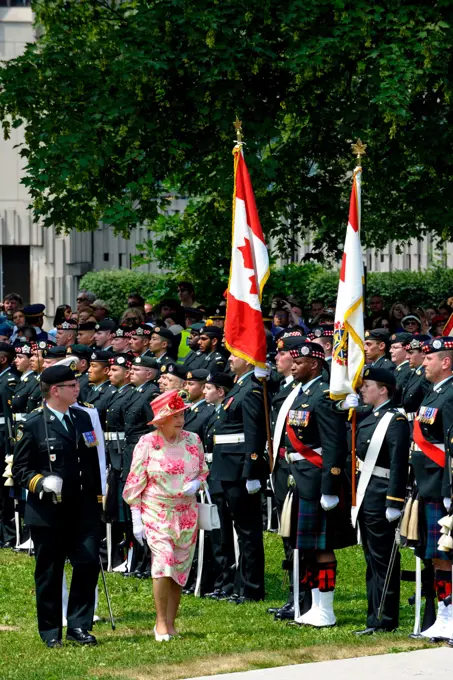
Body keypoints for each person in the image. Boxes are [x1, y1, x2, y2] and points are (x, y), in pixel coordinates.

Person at [12, 365, 103, 647]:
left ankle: (78, 625)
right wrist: (41, 483)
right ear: (55, 391)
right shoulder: (33, 423)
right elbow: (20, 469)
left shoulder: (83, 417)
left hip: (82, 507)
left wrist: (99, 500)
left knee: (88, 563)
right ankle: (51, 631)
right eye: (72, 386)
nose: (78, 389)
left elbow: (91, 463)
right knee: (50, 572)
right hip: (49, 510)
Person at [123, 389, 208, 640]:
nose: (179, 420)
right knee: (164, 562)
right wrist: (136, 518)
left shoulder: (193, 440)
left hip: (186, 513)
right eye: (173, 415)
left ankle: (171, 623)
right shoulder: (147, 443)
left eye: (181, 414)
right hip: (156, 511)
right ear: (161, 419)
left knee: (180, 568)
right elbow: (135, 480)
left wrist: (197, 484)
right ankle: (160, 623)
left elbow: (203, 471)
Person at [286, 342, 354, 628]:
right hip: (300, 478)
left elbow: (334, 444)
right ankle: (314, 605)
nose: (292, 366)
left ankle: (326, 608)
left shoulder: (323, 396)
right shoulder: (300, 394)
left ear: (314, 363)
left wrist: (330, 487)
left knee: (322, 547)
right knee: (309, 547)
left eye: (297, 362)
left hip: (317, 480)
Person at [353, 367, 410, 635]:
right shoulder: (371, 416)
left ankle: (385, 618)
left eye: (367, 386)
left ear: (383, 389)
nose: (362, 390)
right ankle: (374, 615)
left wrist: (394, 500)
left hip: (380, 493)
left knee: (383, 559)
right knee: (372, 558)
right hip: (367, 493)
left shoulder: (394, 420)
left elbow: (398, 462)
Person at [210, 352, 267, 604]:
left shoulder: (251, 391)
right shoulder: (238, 389)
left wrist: (252, 471)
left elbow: (254, 434)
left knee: (247, 531)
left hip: (240, 471)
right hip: (227, 468)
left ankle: (252, 588)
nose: (230, 359)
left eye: (236, 355)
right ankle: (239, 585)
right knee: (235, 531)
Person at [411, 336, 453, 641]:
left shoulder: (450, 395)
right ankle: (444, 614)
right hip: (428, 484)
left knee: (448, 554)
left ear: (446, 362)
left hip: (443, 483)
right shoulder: (433, 392)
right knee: (437, 555)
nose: (423, 363)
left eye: (429, 358)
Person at [267, 332, 306, 621]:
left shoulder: (304, 390)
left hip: (299, 469)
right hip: (281, 467)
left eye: (281, 354)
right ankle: (293, 594)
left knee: (300, 535)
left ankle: (303, 596)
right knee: (287, 533)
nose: (277, 359)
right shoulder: (283, 387)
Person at [120, 356, 159, 578]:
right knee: (131, 507)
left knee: (143, 508)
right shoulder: (135, 392)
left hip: (142, 452)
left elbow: (152, 429)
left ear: (149, 374)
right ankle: (136, 560)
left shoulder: (150, 393)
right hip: (130, 452)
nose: (131, 372)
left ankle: (146, 560)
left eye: (137, 369)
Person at [0, 343, 19, 547]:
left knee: (4, 489)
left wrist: (9, 442)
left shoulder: (8, 381)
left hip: (3, 436)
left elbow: (8, 418)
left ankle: (7, 533)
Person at [401, 335, 431, 422]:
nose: (407, 357)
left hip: (420, 424)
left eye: (410, 353)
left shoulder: (426, 375)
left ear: (423, 353)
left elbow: (429, 404)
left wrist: (422, 429)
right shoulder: (414, 374)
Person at [85, 350, 116, 428]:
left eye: (93, 366)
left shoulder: (111, 392)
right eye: (90, 365)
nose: (89, 370)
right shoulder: (92, 389)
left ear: (106, 370)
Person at [183, 369, 213, 443]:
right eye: (186, 384)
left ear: (203, 388)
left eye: (190, 384)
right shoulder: (187, 410)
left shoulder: (208, 412)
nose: (186, 388)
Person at [389, 332, 413, 406]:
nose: (390, 351)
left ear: (406, 349)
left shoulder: (409, 371)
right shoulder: (396, 370)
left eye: (395, 348)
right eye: (391, 347)